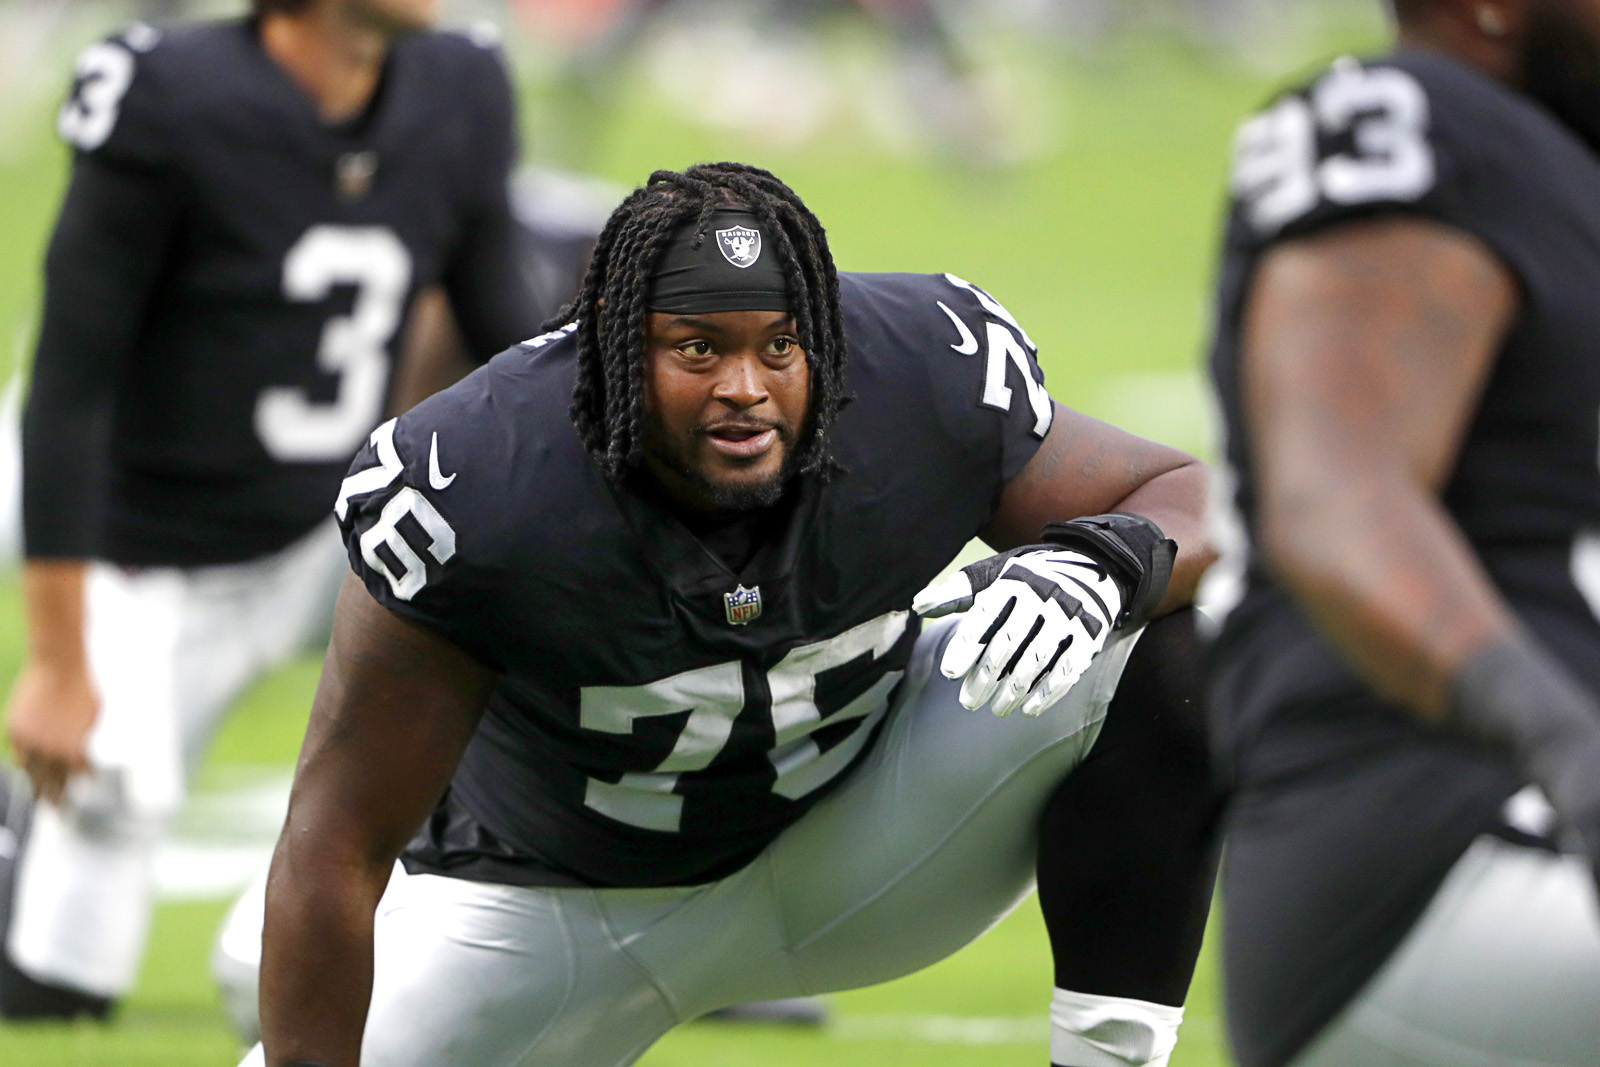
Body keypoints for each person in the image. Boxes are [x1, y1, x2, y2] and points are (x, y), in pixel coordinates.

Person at [240, 161, 1222, 1067]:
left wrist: (1098, 564)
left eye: (778, 345)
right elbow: (337, 839)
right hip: (549, 911)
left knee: (1156, 607)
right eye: (697, 347)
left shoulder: (919, 370)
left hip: (865, 845)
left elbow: (1188, 497)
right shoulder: (478, 479)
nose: (745, 389)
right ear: (616, 355)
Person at [0, 0, 541, 1021]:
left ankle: (669, 892)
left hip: (331, 522)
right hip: (154, 546)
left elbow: (507, 339)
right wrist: (61, 662)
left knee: (554, 650)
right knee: (61, 976)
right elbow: (70, 383)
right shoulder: (167, 95)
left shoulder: (459, 82)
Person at [1202, 1, 1600, 1065]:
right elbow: (1339, 502)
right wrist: (1566, 737)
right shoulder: (1417, 125)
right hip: (1437, 847)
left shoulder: (1560, 174)